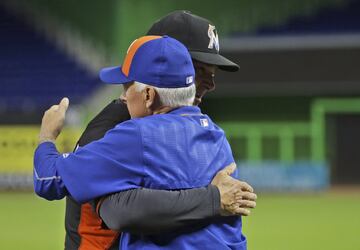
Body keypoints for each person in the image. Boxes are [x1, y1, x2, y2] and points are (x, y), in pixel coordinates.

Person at [35, 10, 257, 250]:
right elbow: (120, 211)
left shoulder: (170, 131)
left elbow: (50, 179)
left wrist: (47, 135)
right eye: (200, 70)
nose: (210, 84)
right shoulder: (123, 129)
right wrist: (212, 198)